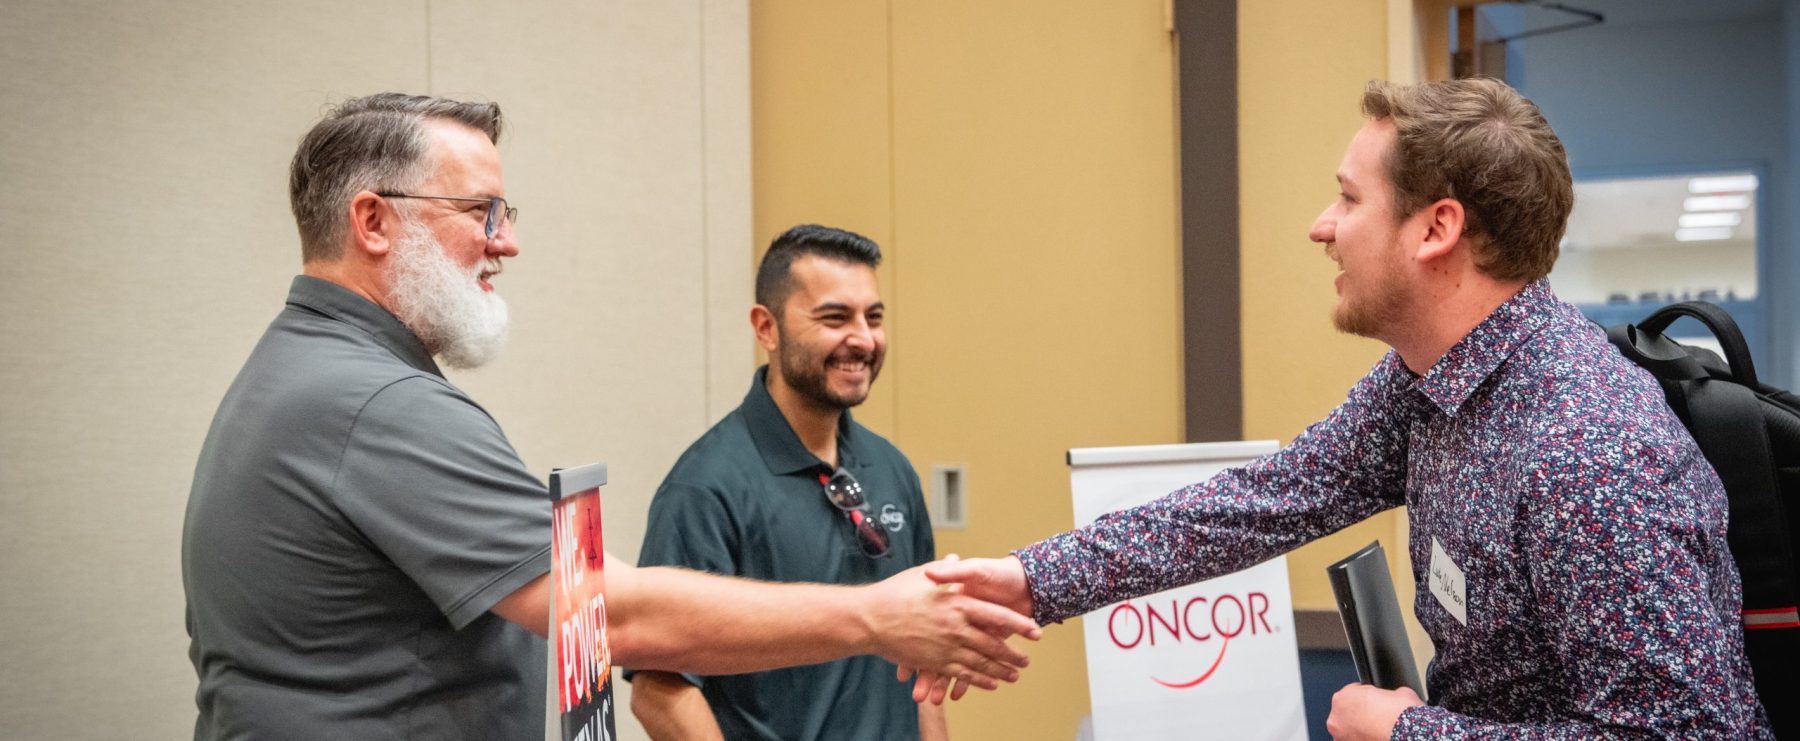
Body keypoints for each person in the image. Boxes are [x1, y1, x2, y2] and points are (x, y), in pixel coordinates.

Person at [925, 78, 1772, 738]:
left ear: (1435, 228)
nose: (1321, 226)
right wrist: (1030, 580)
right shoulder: (1429, 380)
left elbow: (1684, 730)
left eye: (1349, 198)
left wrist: (1407, 729)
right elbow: (1270, 499)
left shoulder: (1589, 450)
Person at [180, 93, 1038, 741]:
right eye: (481, 211)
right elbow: (612, 617)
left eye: (504, 213)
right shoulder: (373, 403)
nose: (505, 241)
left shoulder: (311, 369)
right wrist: (871, 617)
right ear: (372, 220)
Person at [626, 225, 944, 740]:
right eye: (835, 317)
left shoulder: (892, 470)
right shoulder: (705, 488)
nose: (862, 338)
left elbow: (924, 659)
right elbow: (659, 689)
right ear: (766, 328)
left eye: (874, 317)